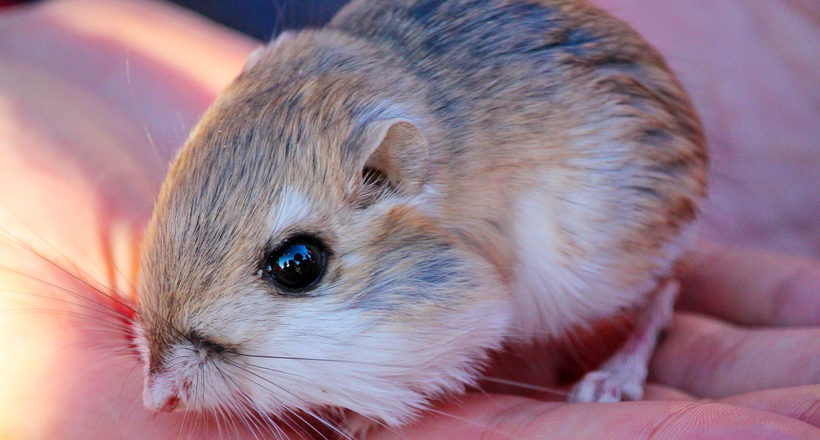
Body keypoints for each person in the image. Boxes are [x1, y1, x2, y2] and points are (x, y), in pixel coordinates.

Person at [0, 0, 817, 438]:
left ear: (390, 171)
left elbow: (473, 311)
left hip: (596, 138)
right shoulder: (292, 87)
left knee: (577, 276)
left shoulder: (387, 161)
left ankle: (649, 315)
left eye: (295, 267)